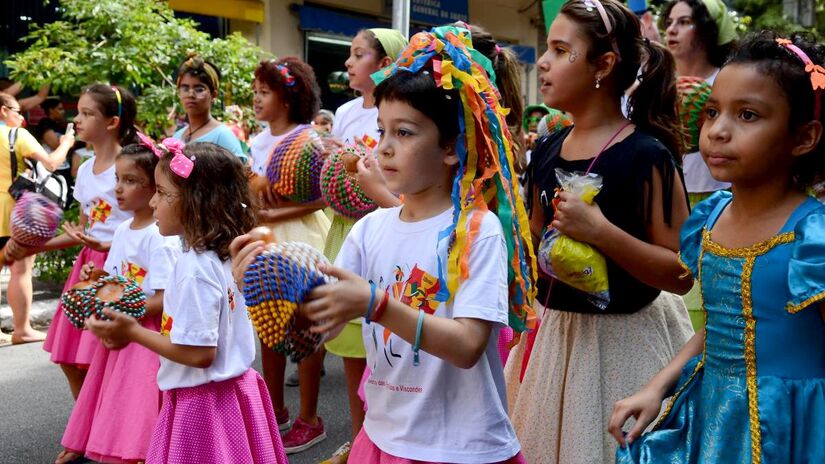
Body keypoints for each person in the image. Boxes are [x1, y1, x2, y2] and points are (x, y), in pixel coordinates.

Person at [234, 23, 534, 463]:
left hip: (459, 447)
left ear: (451, 147)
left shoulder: (476, 229)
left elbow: (469, 346)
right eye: (382, 131)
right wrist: (265, 285)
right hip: (382, 437)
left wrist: (377, 305)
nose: (384, 149)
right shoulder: (369, 229)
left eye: (405, 133)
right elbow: (323, 325)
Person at [609, 32, 825, 464]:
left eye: (747, 115)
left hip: (791, 427)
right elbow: (726, 325)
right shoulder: (709, 216)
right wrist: (657, 386)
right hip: (714, 417)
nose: (718, 131)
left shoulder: (813, 237)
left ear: (803, 137)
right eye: (713, 112)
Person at [503, 1, 695, 462]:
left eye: (560, 50)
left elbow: (682, 273)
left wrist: (601, 233)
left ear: (603, 65)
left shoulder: (646, 156)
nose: (543, 62)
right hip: (553, 340)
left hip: (624, 346)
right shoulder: (547, 148)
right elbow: (533, 242)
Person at [86, 141, 288, 464]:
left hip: (203, 405)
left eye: (163, 193)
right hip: (233, 395)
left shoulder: (195, 268)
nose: (153, 202)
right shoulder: (223, 254)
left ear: (197, 202)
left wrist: (132, 332)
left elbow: (199, 353)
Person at [56, 140, 181, 464]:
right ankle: (112, 448)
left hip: (144, 335)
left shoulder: (159, 236)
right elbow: (117, 280)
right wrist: (97, 277)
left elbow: (164, 298)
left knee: (139, 400)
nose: (119, 189)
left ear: (155, 188)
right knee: (116, 394)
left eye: (131, 181)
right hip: (125, 327)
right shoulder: (124, 229)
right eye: (117, 179)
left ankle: (141, 453)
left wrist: (127, 315)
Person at [10, 84, 137, 399]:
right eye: (77, 112)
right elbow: (82, 231)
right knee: (69, 356)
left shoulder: (131, 166)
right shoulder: (85, 168)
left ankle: (101, 429)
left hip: (119, 269)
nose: (75, 120)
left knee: (103, 357)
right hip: (86, 268)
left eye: (86, 113)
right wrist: (35, 246)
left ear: (112, 122)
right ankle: (86, 424)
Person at [318, 27, 408, 462]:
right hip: (349, 227)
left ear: (386, 61)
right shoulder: (346, 111)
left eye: (359, 54)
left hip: (387, 220)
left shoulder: (407, 111)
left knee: (392, 348)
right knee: (355, 345)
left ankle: (381, 439)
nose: (350, 63)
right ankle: (360, 440)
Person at [247, 56, 331, 455]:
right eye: (256, 92)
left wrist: (272, 211)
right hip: (265, 238)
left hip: (301, 240)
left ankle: (309, 417)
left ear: (287, 97)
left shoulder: (305, 138)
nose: (257, 99)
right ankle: (275, 409)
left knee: (307, 328)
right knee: (269, 324)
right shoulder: (257, 140)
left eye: (265, 92)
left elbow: (319, 199)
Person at [0, 92, 74, 345]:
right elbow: (52, 163)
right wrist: (66, 143)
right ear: (3, 111)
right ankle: (21, 329)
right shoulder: (16, 135)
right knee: (21, 270)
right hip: (15, 212)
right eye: (17, 111)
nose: (21, 117)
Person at [663, 0, 736, 206]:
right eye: (669, 22)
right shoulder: (656, 82)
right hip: (668, 189)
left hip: (721, 192)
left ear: (707, 30)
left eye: (684, 22)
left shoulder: (727, 80)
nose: (672, 30)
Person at [172, 54, 247, 163]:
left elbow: (239, 176)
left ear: (214, 95)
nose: (191, 94)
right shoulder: (177, 136)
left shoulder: (222, 135)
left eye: (199, 89)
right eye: (185, 88)